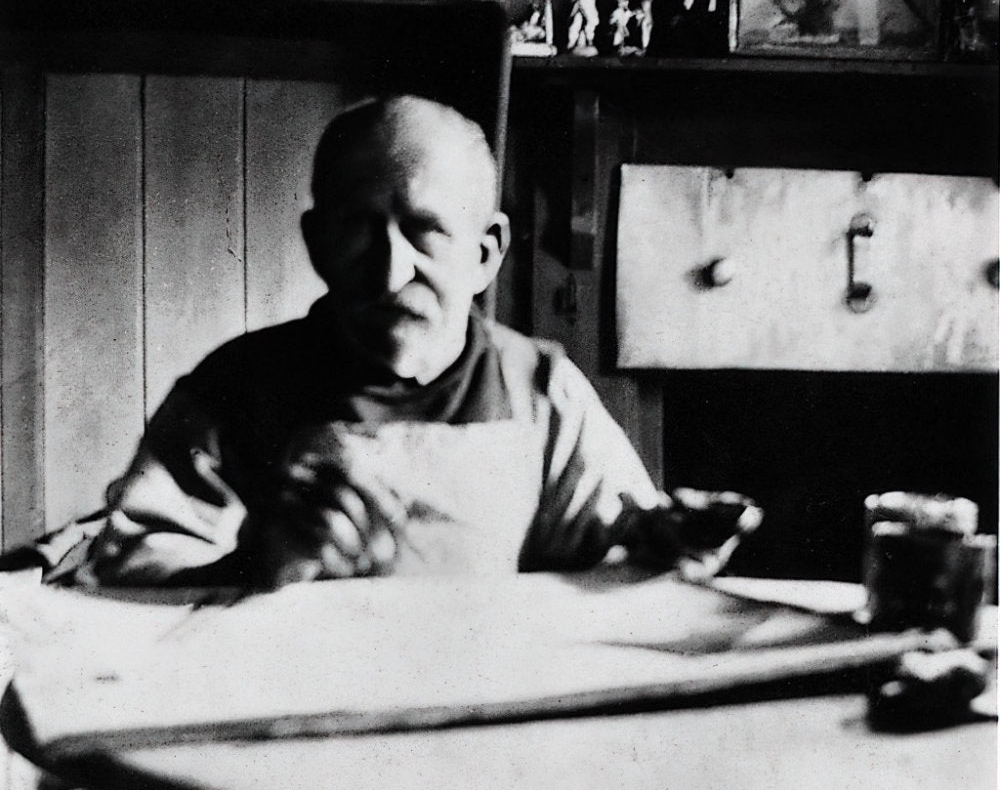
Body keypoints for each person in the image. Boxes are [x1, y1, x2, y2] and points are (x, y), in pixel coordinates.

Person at [1, 96, 760, 589]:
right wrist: (254, 561)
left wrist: (664, 544)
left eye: (426, 232)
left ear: (487, 252)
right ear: (315, 243)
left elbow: (606, 557)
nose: (393, 269)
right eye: (358, 230)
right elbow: (123, 575)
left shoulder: (539, 393)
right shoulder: (235, 390)